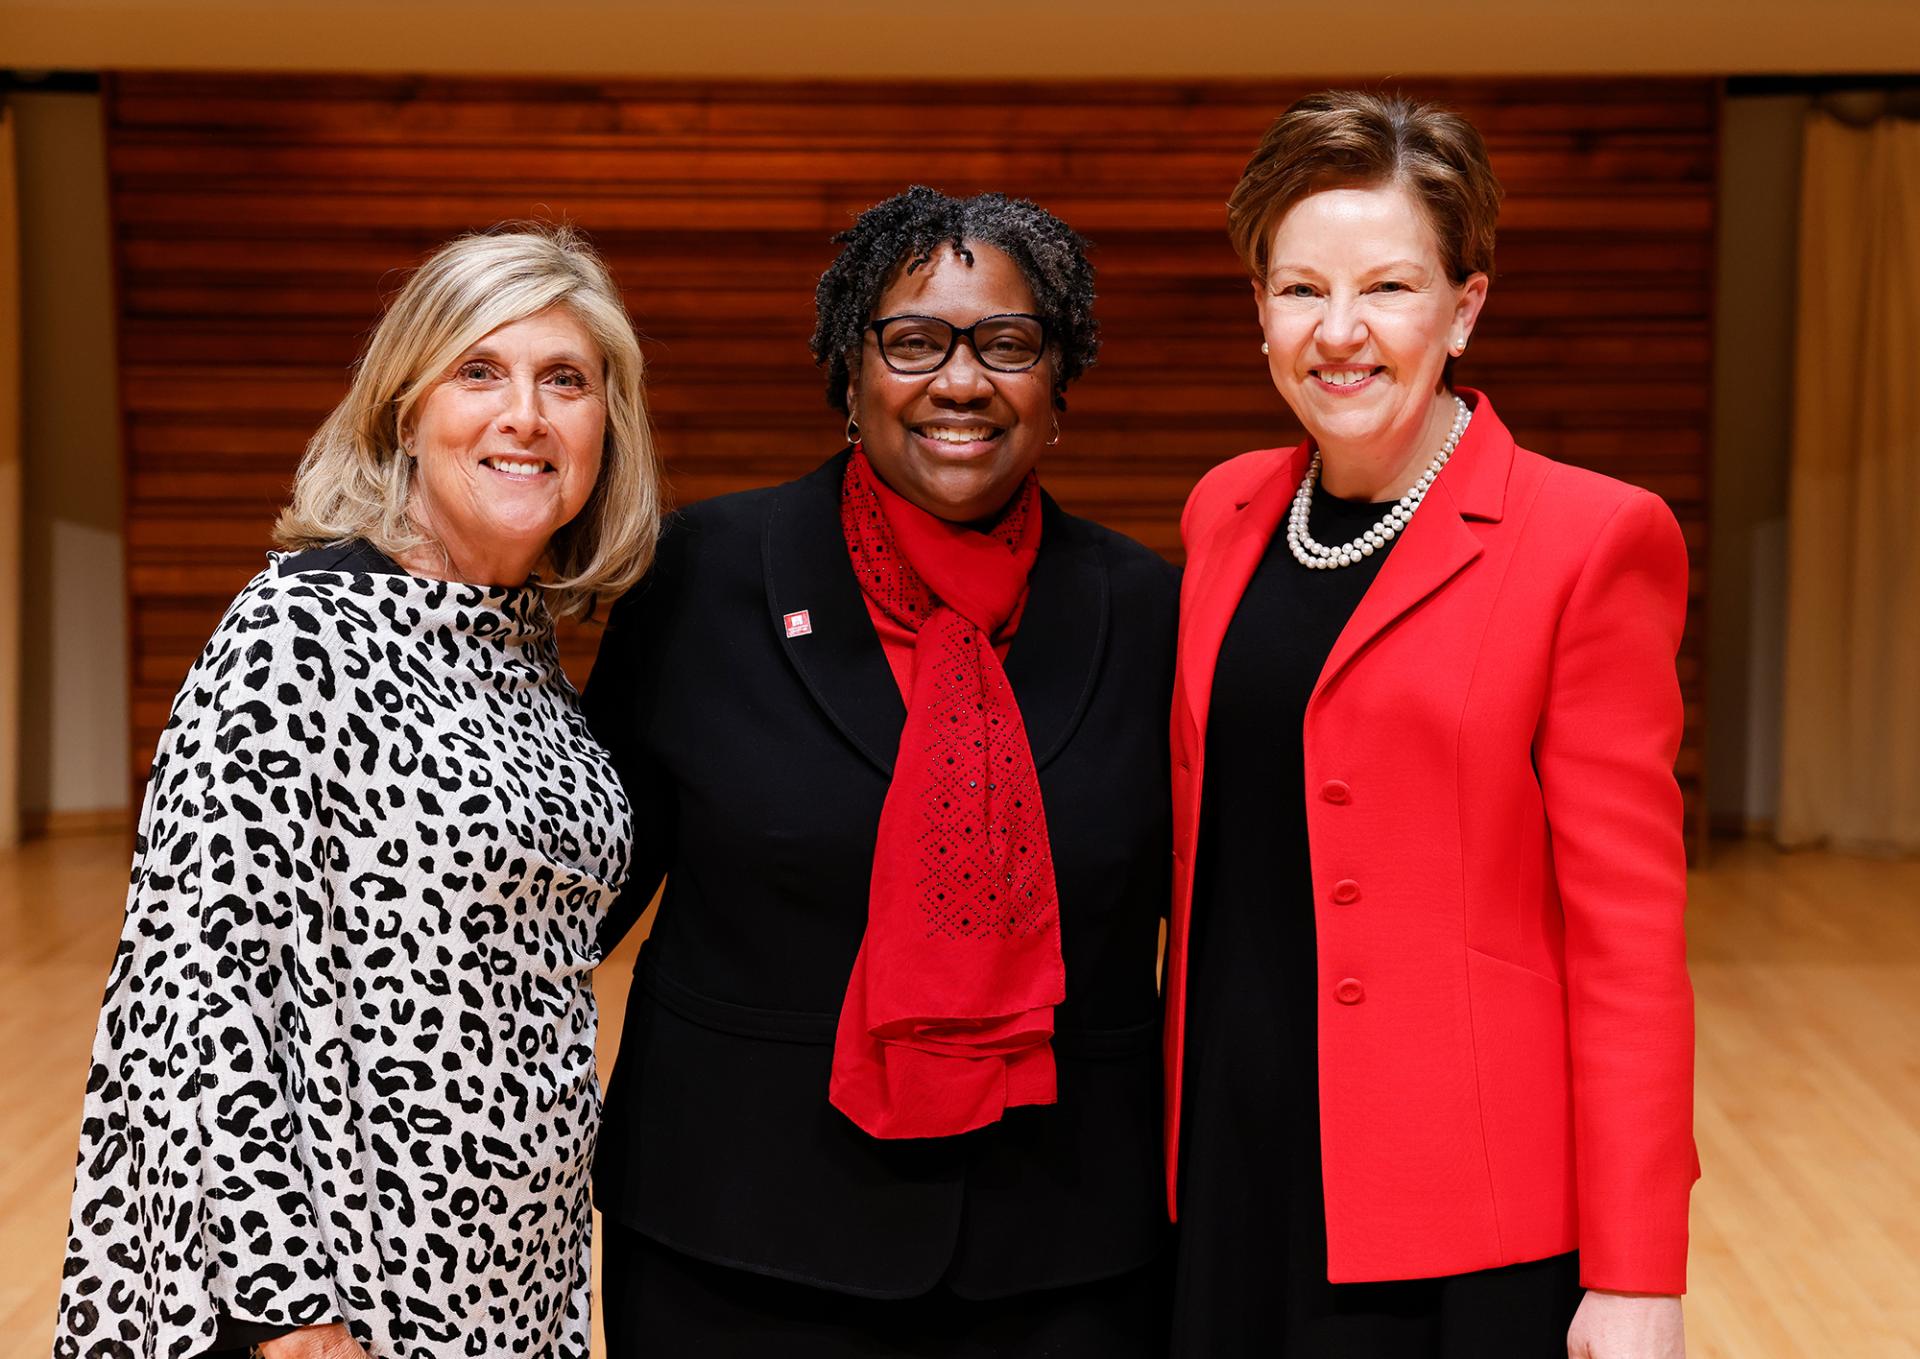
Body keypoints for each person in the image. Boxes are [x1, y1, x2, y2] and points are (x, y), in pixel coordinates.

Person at [584, 186, 1177, 1357]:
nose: (961, 381)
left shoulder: (1152, 611)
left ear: (1058, 384)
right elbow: (584, 892)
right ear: (847, 375)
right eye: (912, 342)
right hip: (738, 1241)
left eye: (1008, 343)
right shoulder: (700, 577)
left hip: (1064, 1253)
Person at [53, 225, 662, 1359]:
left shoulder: (521, 649)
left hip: (511, 1276)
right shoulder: (301, 630)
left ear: (603, 431)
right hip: (339, 1287)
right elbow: (194, 991)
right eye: (479, 371)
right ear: (403, 412)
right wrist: (291, 1311)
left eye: (564, 380)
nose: (524, 413)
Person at [1165, 91, 1696, 1359]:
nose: (1339, 333)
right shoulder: (1223, 513)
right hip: (1228, 1176)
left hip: (1463, 1215)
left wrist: (1638, 1277)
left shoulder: (1592, 539)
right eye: (1300, 291)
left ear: (1464, 307)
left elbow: (1631, 942)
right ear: (1260, 312)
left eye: (1389, 288)